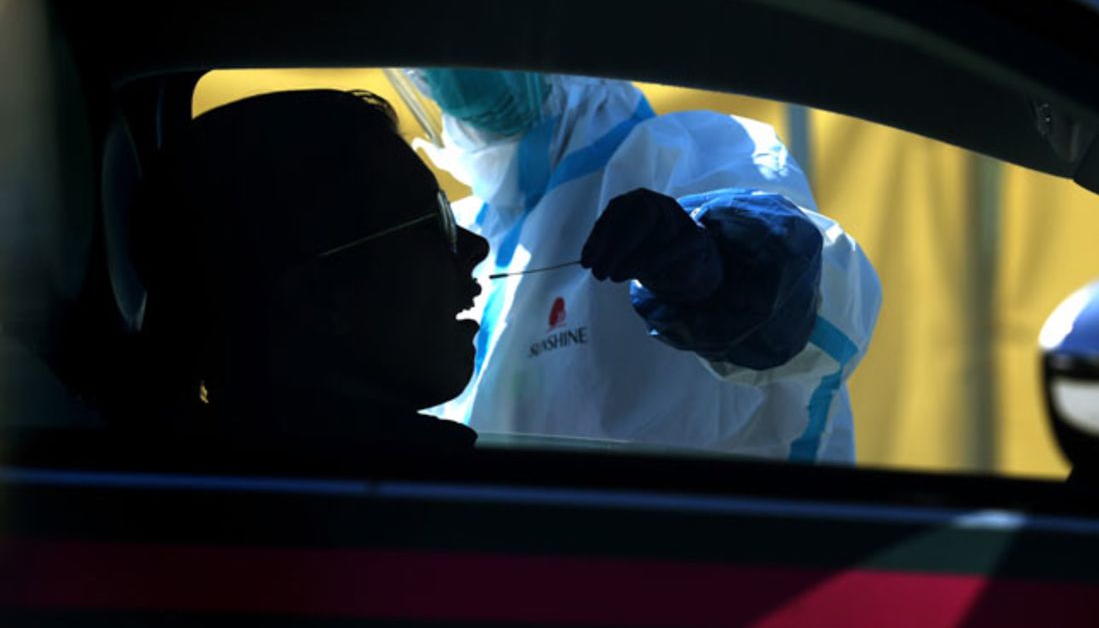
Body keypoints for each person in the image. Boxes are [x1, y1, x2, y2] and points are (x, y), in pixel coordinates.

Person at [408, 69, 881, 463]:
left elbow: (824, 303)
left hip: (712, 567)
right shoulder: (469, 227)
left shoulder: (696, 154)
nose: (450, 61)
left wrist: (723, 268)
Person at [136, 89, 489, 449]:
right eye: (433, 223)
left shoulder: (194, 464)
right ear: (317, 297)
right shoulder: (428, 491)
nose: (478, 247)